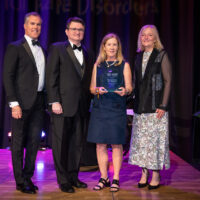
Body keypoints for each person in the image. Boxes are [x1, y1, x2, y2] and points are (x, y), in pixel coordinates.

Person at [45, 17, 93, 193]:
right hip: (62, 105)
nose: (77, 32)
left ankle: (74, 177)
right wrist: (54, 100)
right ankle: (63, 180)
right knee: (60, 144)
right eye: (74, 29)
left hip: (81, 106)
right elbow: (51, 77)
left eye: (80, 29)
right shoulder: (57, 48)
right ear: (67, 31)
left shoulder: (87, 51)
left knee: (77, 144)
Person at [3, 12, 46, 194]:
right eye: (32, 24)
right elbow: (8, 76)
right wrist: (14, 104)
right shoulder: (15, 47)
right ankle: (20, 181)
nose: (35, 27)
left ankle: (28, 176)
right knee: (19, 142)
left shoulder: (41, 48)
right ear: (25, 26)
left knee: (34, 142)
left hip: (38, 102)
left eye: (38, 24)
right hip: (21, 103)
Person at [87, 33, 133, 192]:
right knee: (100, 144)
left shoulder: (124, 64)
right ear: (104, 47)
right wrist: (96, 89)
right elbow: (92, 88)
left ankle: (116, 178)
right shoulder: (97, 65)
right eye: (109, 44)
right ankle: (103, 177)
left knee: (116, 144)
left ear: (118, 47)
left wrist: (125, 90)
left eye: (115, 45)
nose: (112, 47)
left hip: (116, 108)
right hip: (100, 108)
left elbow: (129, 87)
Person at [128, 25, 172, 190]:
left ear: (155, 38)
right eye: (143, 35)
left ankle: (155, 174)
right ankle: (144, 173)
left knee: (154, 144)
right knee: (142, 143)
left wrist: (163, 105)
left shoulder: (161, 55)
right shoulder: (138, 57)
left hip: (156, 108)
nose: (146, 37)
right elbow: (134, 82)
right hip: (140, 107)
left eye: (150, 35)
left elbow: (168, 81)